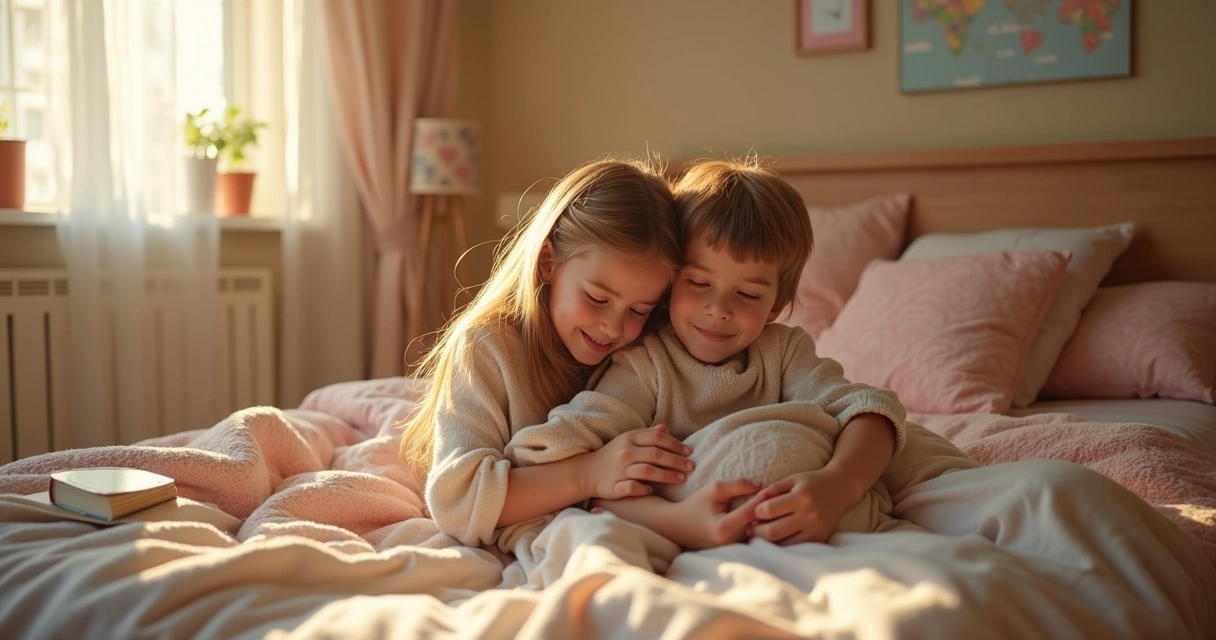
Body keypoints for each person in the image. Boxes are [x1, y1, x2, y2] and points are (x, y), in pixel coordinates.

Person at [505, 158, 910, 549]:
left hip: (800, 516)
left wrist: (840, 484)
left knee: (919, 460)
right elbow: (576, 468)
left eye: (748, 294)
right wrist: (675, 522)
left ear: (775, 306)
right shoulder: (645, 366)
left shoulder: (784, 352)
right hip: (693, 522)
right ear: (667, 284)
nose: (719, 309)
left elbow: (868, 410)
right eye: (698, 282)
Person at [405, 158, 764, 555]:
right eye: (597, 298)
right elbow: (458, 503)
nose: (613, 328)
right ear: (548, 263)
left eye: (639, 310)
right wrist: (588, 474)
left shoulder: (649, 353)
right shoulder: (487, 347)